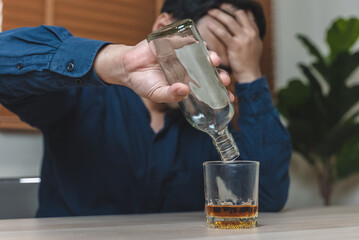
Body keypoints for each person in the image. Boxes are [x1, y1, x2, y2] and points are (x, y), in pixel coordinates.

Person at [0, 0, 291, 217]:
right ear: (163, 27)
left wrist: (250, 73)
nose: (209, 77)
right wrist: (117, 63)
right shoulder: (82, 98)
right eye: (203, 56)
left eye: (224, 68)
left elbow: (268, 198)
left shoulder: (211, 127)